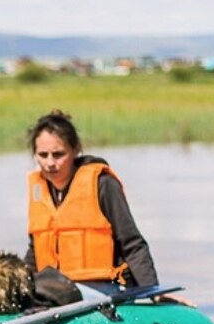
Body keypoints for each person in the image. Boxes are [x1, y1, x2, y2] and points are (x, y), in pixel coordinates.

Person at [23, 109, 162, 292]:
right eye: (42, 155)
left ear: (75, 150)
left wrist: (153, 292)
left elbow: (133, 245)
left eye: (58, 154)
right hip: (55, 290)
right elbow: (35, 252)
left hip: (105, 288)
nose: (50, 163)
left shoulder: (102, 184)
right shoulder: (38, 190)